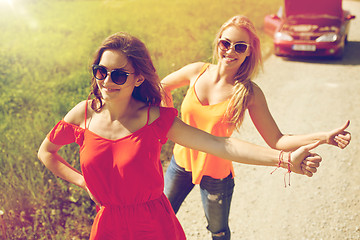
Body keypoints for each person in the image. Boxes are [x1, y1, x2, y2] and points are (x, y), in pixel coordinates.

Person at [37, 32, 322, 240]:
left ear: (138, 78)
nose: (106, 82)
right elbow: (46, 152)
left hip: (153, 227)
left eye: (118, 75)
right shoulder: (82, 114)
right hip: (107, 225)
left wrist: (283, 158)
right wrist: (82, 180)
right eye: (101, 71)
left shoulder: (154, 119)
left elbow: (221, 144)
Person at [161, 15, 351, 240]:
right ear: (218, 41)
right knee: (160, 217)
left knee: (218, 231)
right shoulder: (196, 71)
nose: (230, 51)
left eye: (239, 47)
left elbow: (277, 140)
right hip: (181, 163)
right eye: (226, 43)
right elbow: (161, 87)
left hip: (217, 174)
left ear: (249, 52)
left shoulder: (249, 92)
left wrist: (323, 136)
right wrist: (167, 125)